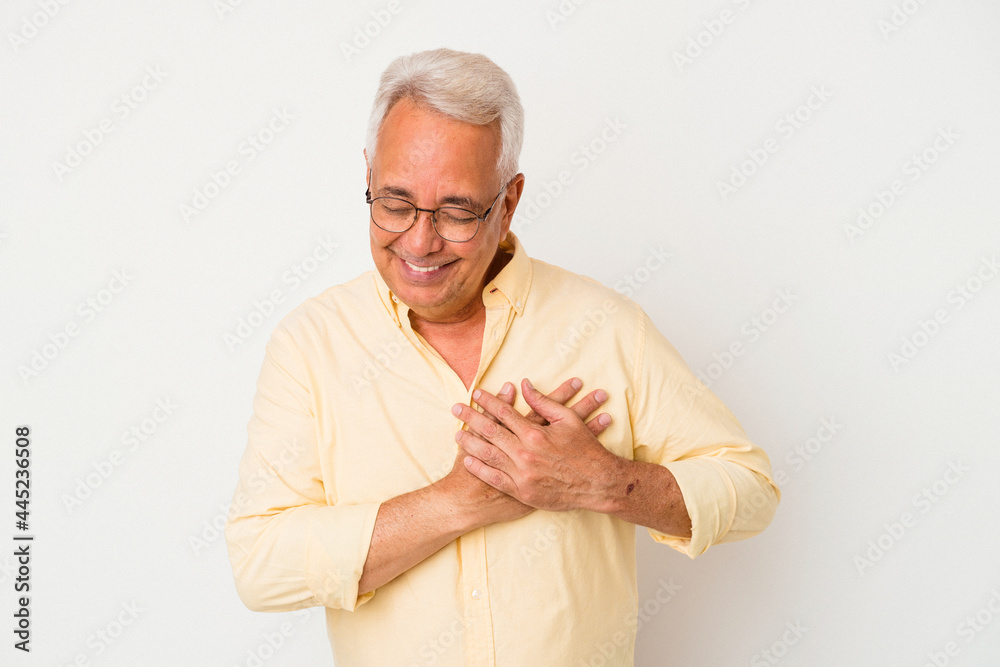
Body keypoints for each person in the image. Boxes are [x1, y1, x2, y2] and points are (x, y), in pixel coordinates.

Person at [225, 47, 779, 666]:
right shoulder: (311, 345)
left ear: (509, 201)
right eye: (395, 202)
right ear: (368, 178)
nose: (419, 240)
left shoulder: (607, 326)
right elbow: (260, 562)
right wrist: (457, 502)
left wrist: (601, 482)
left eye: (457, 211)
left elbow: (750, 489)